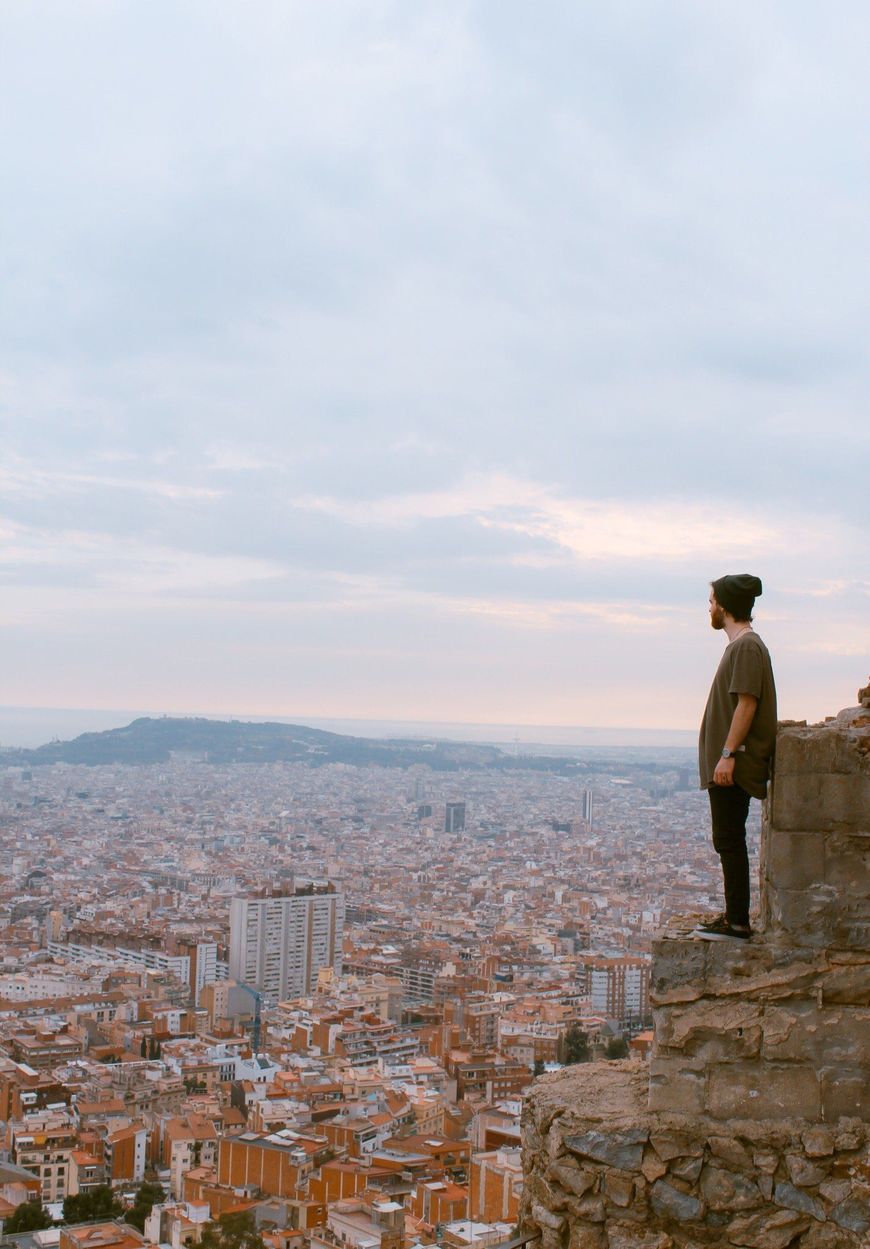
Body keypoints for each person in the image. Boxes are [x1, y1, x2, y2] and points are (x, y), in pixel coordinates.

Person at [694, 573, 777, 941]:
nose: (709, 607)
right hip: (731, 761)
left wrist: (727, 754)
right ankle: (734, 916)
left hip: (734, 763)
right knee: (727, 838)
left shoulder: (745, 647)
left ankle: (737, 921)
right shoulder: (742, 647)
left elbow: (747, 703)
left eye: (712, 600)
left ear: (724, 606)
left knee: (728, 839)